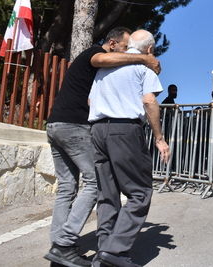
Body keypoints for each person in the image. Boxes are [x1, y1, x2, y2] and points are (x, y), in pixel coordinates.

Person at [43, 27, 160, 267]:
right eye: (125, 48)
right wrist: (144, 58)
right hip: (75, 126)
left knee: (67, 187)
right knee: (99, 185)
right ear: (113, 44)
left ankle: (59, 246)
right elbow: (104, 60)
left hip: (56, 124)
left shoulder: (102, 74)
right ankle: (68, 243)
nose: (128, 52)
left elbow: (90, 98)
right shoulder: (95, 54)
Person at [88, 29, 170, 267]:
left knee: (107, 193)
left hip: (97, 130)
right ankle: (115, 252)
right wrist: (159, 138)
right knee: (140, 192)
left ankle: (103, 252)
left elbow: (91, 101)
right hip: (125, 130)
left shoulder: (105, 67)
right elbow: (149, 101)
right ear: (150, 49)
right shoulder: (146, 66)